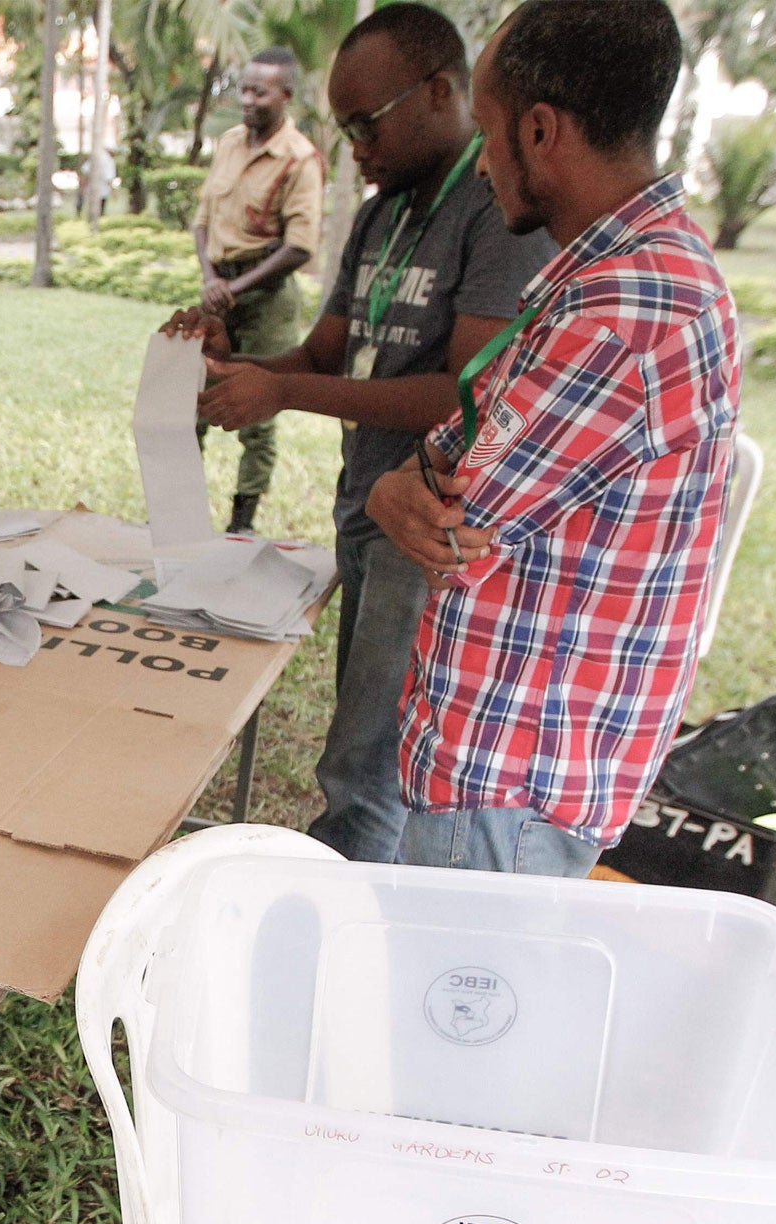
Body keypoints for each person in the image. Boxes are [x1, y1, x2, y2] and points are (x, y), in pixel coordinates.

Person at [166, 4, 556, 863]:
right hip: (367, 507)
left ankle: (347, 916)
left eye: (364, 125)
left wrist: (286, 391)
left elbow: (465, 397)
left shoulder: (494, 217)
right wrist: (244, 368)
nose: (355, 149)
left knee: (368, 761)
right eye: (342, 128)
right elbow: (325, 351)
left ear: (442, 91)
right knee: (362, 729)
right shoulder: (383, 218)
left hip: (427, 515)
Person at [364, 0, 738, 877]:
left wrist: (396, 490)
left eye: (487, 133)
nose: (481, 163)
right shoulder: (609, 279)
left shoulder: (623, 313)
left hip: (513, 777)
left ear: (539, 131)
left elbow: (455, 509)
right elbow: (454, 441)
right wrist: (397, 485)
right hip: (519, 762)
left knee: (455, 1005)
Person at [189, 45, 325, 534]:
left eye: (259, 92)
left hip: (266, 297)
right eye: (243, 89)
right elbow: (202, 221)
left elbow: (300, 247)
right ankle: (179, 512)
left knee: (257, 414)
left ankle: (240, 524)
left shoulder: (299, 160)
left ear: (285, 96)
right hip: (217, 292)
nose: (247, 99)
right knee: (192, 400)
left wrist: (235, 287)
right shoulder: (228, 142)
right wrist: (210, 281)